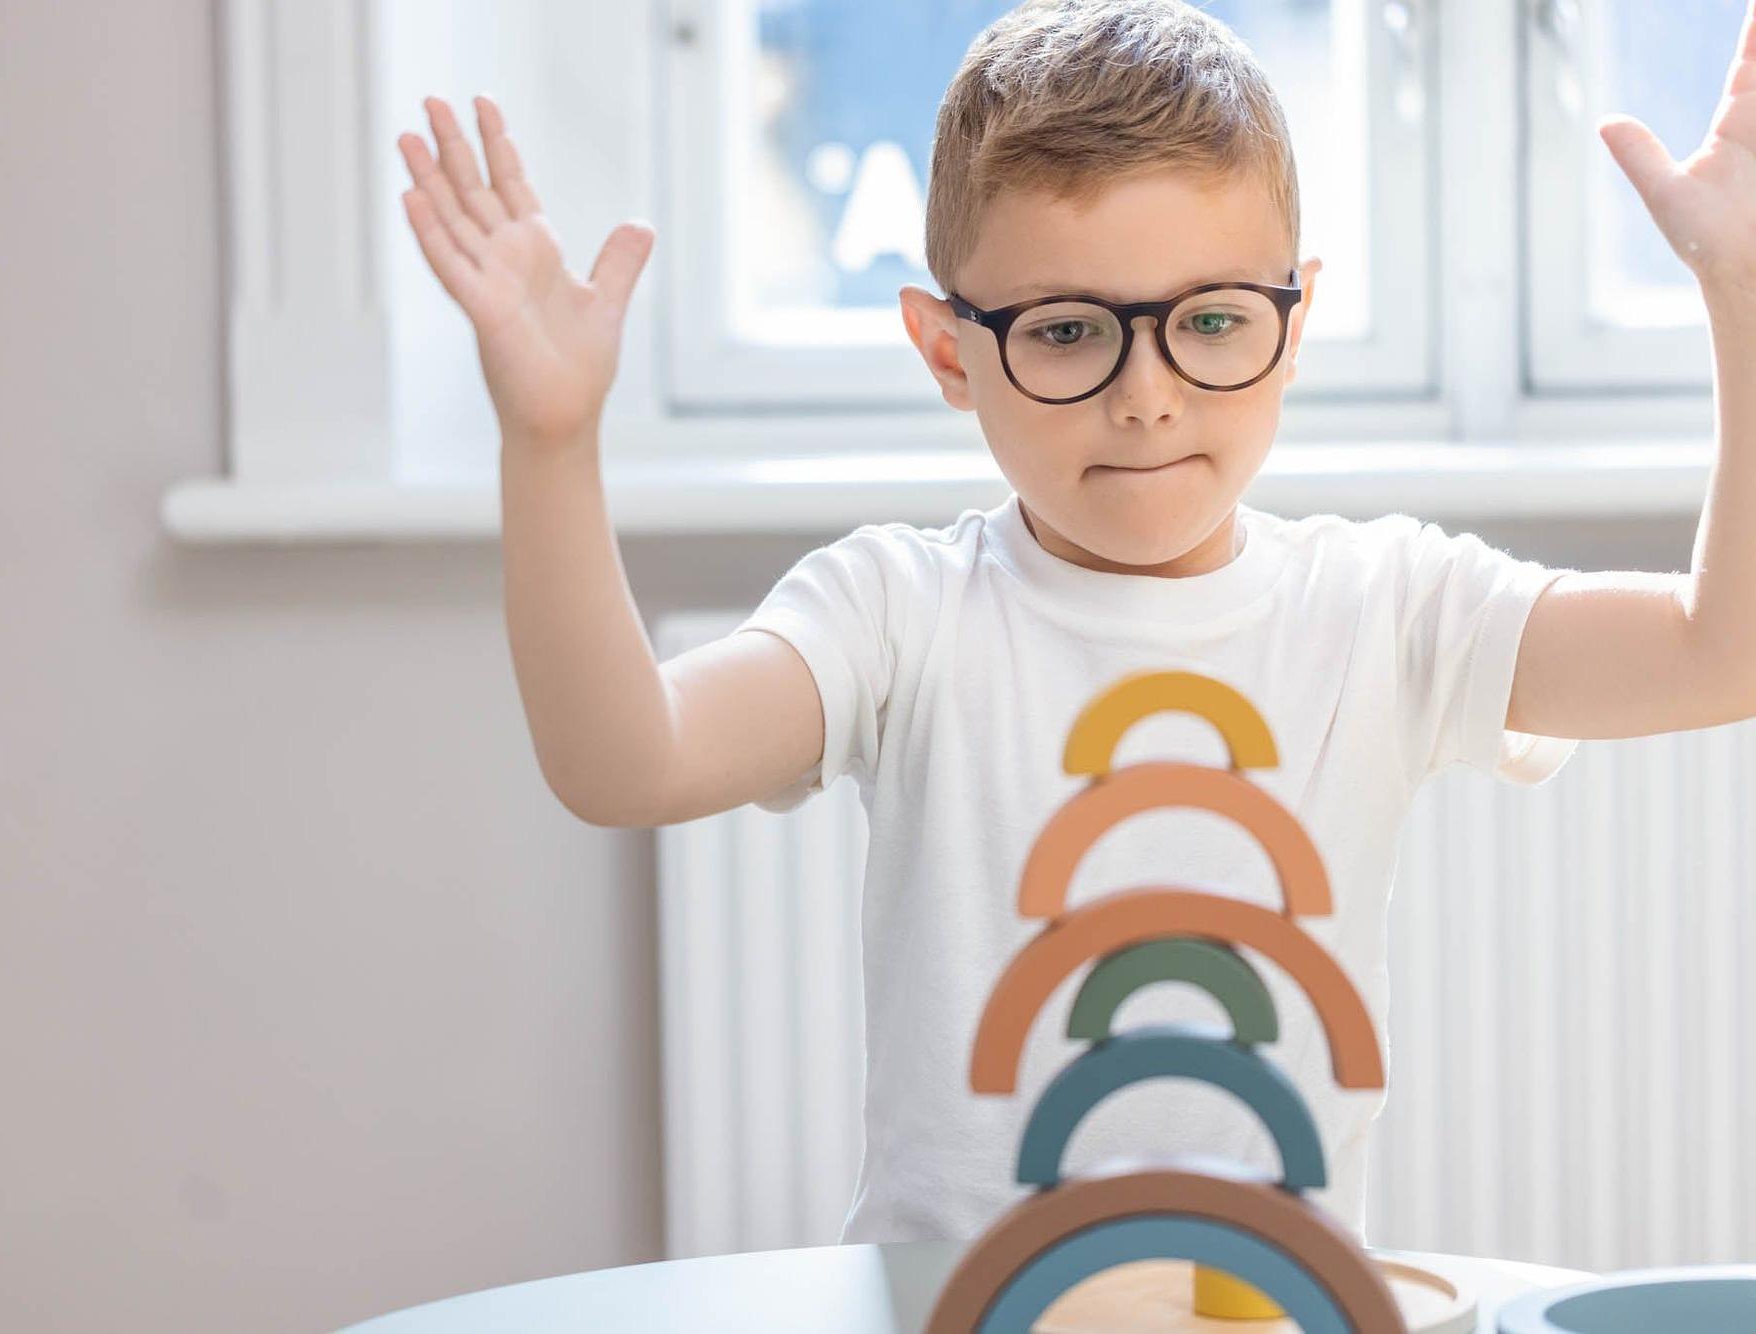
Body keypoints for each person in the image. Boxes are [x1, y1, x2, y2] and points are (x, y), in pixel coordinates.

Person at [395, 0, 1756, 1247]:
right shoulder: (900, 611)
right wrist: (553, 442)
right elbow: (625, 762)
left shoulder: (1387, 607)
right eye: (1065, 333)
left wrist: (1743, 302)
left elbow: (1721, 652)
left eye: (1213, 320)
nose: (1150, 396)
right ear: (948, 352)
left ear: (1295, 323)